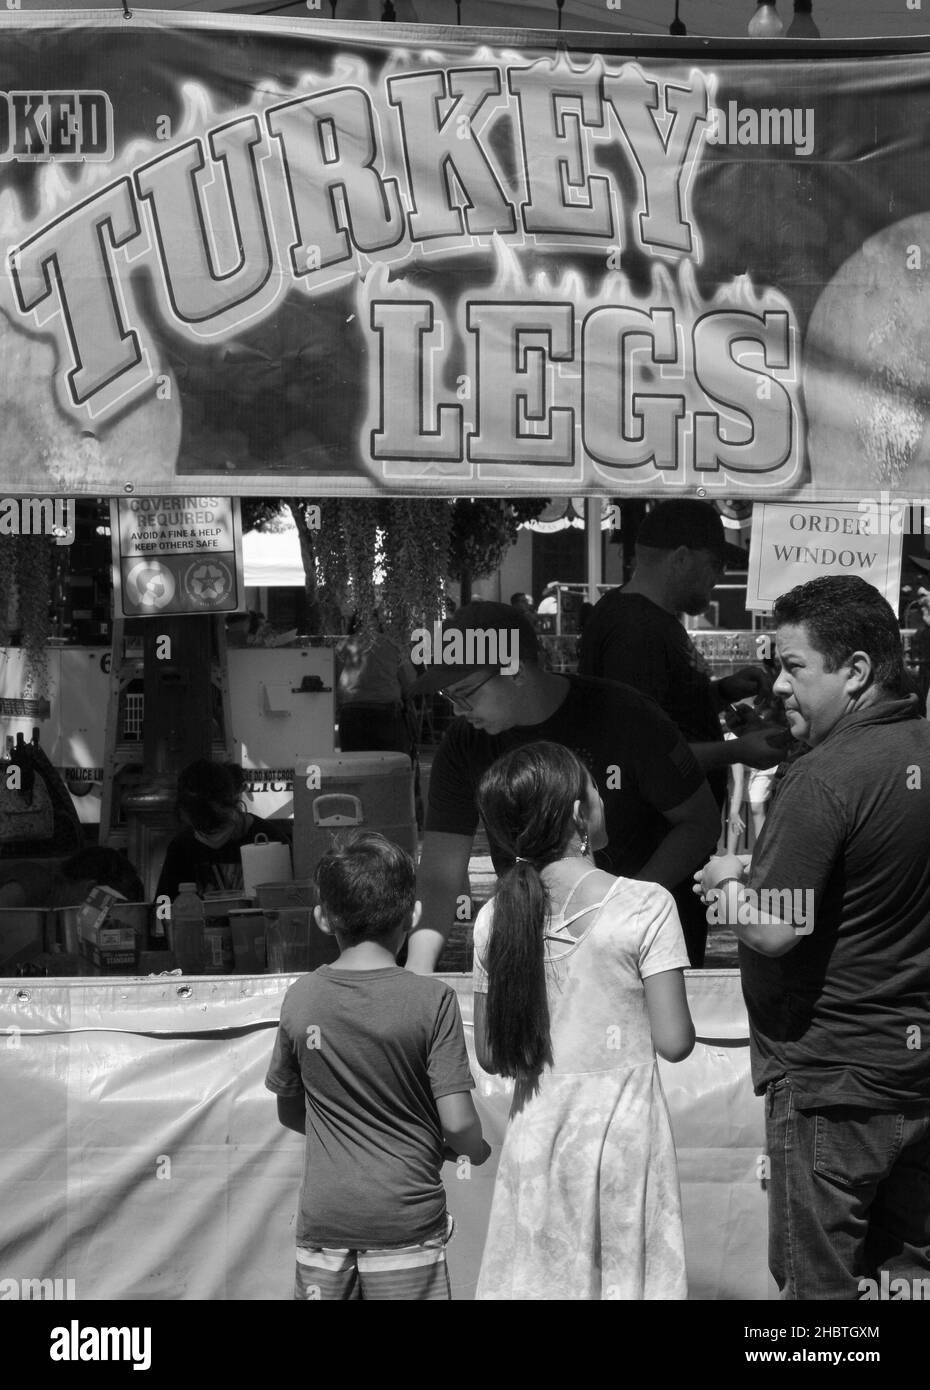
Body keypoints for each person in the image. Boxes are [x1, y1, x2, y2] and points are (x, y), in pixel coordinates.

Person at [694, 575, 930, 1300]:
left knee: (816, 1297)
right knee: (907, 1280)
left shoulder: (825, 777)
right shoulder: (911, 749)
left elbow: (774, 926)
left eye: (795, 667)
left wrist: (724, 888)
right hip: (911, 1075)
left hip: (834, 1086)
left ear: (856, 671)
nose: (779, 686)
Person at [472, 742, 694, 1300]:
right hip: (625, 1142)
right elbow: (674, 1042)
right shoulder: (646, 905)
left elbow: (493, 1055)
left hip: (536, 1140)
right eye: (594, 787)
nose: (602, 796)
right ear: (577, 814)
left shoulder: (495, 917)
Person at [405, 599, 721, 974]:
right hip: (537, 948)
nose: (457, 710)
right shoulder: (464, 744)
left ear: (515, 669)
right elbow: (440, 878)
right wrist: (417, 973)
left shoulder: (625, 714)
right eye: (447, 697)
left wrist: (620, 908)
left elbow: (700, 823)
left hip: (643, 949)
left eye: (464, 693)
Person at [264, 830, 490, 1300]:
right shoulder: (432, 1001)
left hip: (325, 1222)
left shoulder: (301, 998)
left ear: (324, 919)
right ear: (414, 913)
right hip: (405, 1221)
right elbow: (458, 1122)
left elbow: (289, 1110)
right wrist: (475, 1149)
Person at [579, 499, 789, 962]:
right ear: (680, 557)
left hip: (665, 853)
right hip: (649, 853)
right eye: (713, 564)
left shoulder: (647, 620)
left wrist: (721, 692)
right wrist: (739, 752)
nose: (717, 580)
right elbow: (637, 757)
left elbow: (657, 715)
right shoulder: (637, 631)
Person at [155, 759, 292, 901]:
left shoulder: (271, 841)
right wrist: (165, 919)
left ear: (234, 801)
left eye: (217, 823)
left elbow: (291, 902)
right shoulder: (182, 846)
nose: (210, 832)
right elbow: (163, 903)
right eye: (200, 826)